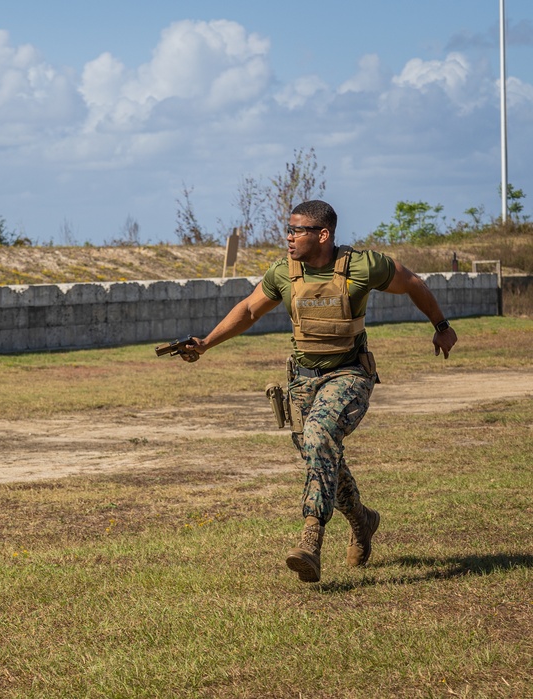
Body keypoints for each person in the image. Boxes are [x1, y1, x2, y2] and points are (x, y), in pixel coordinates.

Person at [179, 200, 458, 583]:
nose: (289, 238)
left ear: (322, 235)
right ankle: (362, 520)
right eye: (288, 230)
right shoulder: (285, 273)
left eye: (297, 231)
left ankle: (311, 538)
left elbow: (411, 281)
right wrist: (206, 342)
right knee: (319, 453)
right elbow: (248, 310)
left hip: (349, 374)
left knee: (319, 435)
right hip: (302, 382)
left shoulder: (361, 266)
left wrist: (441, 325)